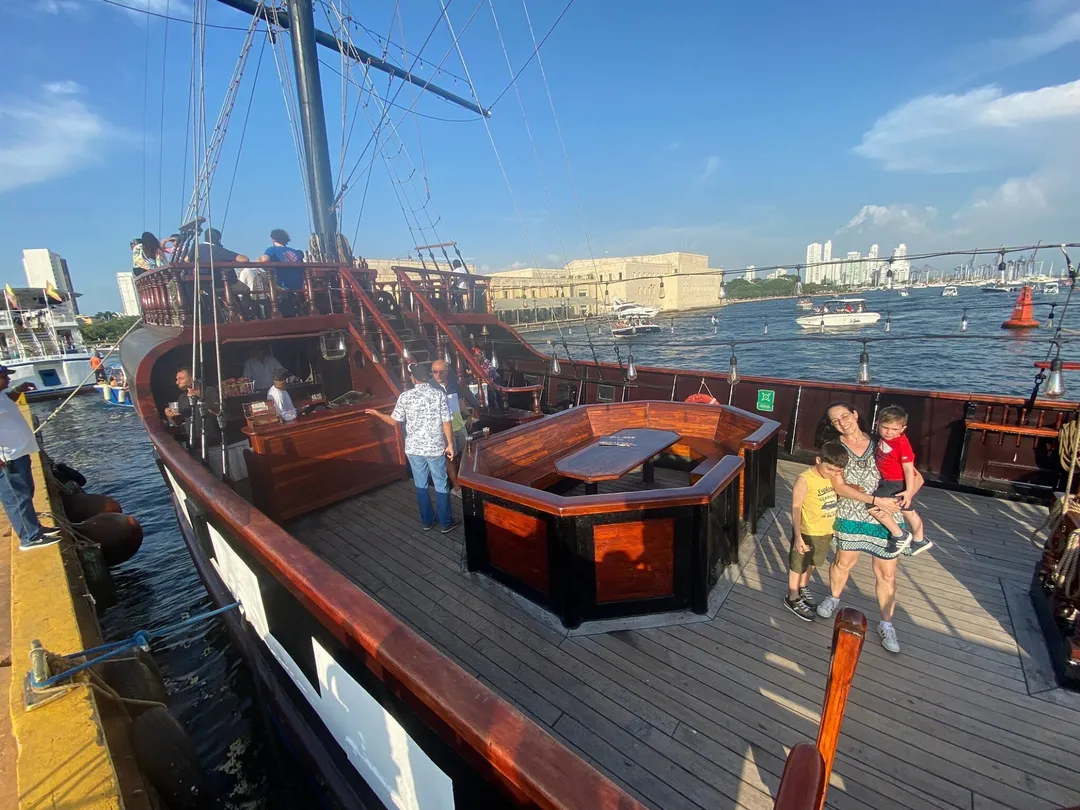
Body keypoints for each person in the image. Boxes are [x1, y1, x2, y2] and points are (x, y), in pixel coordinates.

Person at [815, 402, 911, 653]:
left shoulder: (884, 441)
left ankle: (886, 624)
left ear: (855, 415)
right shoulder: (834, 448)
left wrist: (908, 495)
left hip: (885, 513)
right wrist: (874, 499)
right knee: (843, 562)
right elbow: (839, 487)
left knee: (887, 573)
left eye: (845, 416)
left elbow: (910, 471)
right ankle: (834, 597)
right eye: (835, 420)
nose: (842, 422)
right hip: (853, 512)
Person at [365, 363, 456, 533]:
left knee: (421, 485)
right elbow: (446, 421)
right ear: (428, 377)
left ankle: (428, 521)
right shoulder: (438, 395)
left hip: (414, 449)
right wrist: (450, 443)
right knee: (441, 484)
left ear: (413, 378)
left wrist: (377, 414)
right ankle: (446, 522)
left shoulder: (405, 397)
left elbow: (393, 421)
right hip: (434, 447)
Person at [785, 441, 847, 621]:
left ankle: (803, 587)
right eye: (829, 469)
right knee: (798, 565)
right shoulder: (804, 479)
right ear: (818, 460)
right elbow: (796, 508)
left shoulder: (833, 478)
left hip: (825, 531)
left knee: (812, 562)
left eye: (838, 471)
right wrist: (798, 536)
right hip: (807, 531)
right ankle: (792, 596)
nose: (833, 474)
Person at [0, 365, 61, 550]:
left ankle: (35, 528)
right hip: (7, 458)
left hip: (19, 453)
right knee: (17, 498)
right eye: (4, 376)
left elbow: (8, 400)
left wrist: (18, 390)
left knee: (26, 493)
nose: (8, 379)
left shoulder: (1, 394)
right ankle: (30, 538)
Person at [875, 405, 932, 555]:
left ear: (903, 428)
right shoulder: (884, 439)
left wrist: (908, 491)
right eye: (885, 427)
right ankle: (920, 540)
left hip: (895, 482)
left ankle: (899, 534)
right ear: (878, 424)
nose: (889, 432)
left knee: (873, 505)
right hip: (891, 481)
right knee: (908, 511)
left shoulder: (902, 444)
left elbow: (908, 468)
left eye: (894, 429)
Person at [430, 359, 473, 495]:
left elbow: (460, 401)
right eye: (434, 372)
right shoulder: (430, 387)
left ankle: (464, 481)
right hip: (444, 429)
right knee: (451, 458)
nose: (437, 375)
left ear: (447, 372)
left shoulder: (453, 383)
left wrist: (468, 415)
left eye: (441, 372)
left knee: (464, 455)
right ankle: (456, 487)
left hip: (459, 424)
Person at [163, 367, 222, 450]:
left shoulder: (209, 391)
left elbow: (219, 411)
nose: (177, 382)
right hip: (192, 446)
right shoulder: (182, 398)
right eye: (177, 379)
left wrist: (201, 396)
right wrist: (170, 416)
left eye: (181, 379)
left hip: (214, 445)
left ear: (192, 379)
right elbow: (178, 422)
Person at [257, 229, 306, 315]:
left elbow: (264, 259)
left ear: (273, 239)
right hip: (298, 288)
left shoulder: (272, 250)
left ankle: (262, 312)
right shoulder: (295, 252)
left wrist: (260, 263)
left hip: (283, 287)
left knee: (260, 276)